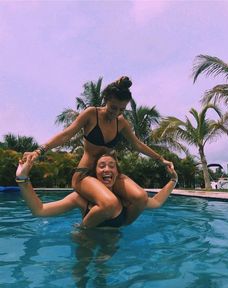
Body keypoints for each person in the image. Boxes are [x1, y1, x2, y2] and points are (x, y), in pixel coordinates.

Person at [22, 76, 174, 228]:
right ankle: (83, 230)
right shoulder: (91, 114)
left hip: (107, 173)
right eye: (113, 107)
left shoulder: (121, 122)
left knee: (141, 197)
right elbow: (67, 134)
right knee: (110, 203)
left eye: (122, 109)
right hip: (85, 175)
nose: (116, 113)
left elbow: (137, 145)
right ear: (105, 99)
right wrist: (39, 150)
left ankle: (117, 227)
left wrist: (161, 159)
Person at [16, 151, 178, 227]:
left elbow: (156, 202)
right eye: (101, 166)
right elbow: (40, 210)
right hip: (85, 241)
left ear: (117, 172)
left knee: (103, 280)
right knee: (82, 281)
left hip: (111, 246)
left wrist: (173, 180)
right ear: (94, 173)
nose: (107, 169)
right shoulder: (79, 198)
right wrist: (22, 178)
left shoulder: (127, 199)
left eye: (111, 166)